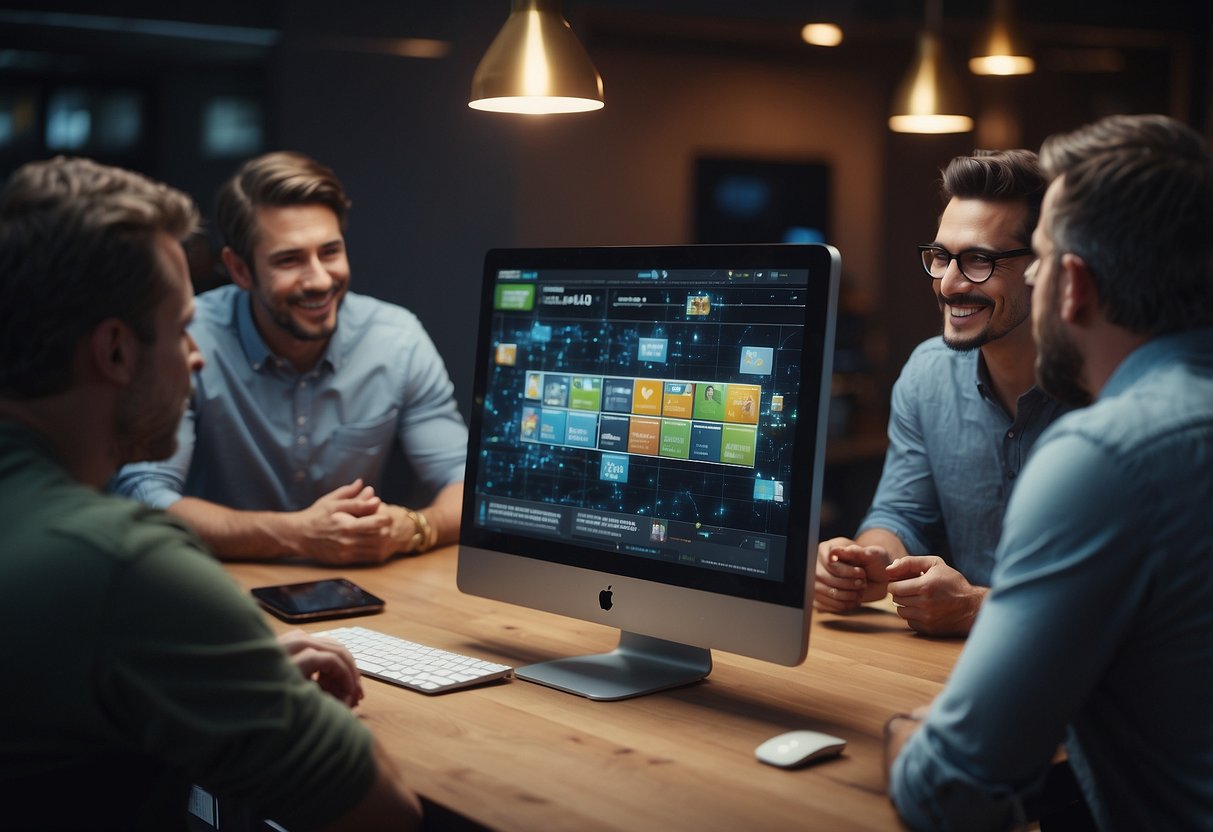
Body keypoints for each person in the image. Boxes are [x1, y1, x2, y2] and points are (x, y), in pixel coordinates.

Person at [0, 157, 422, 829]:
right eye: (179, 328)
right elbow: (383, 813)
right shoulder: (126, 566)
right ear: (115, 352)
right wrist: (239, 678)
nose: (195, 357)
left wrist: (217, 669)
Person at [886, 113, 1213, 830]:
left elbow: (949, 790)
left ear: (1069, 284)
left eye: (1034, 256)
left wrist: (900, 737)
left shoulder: (1107, 453)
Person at [112, 151, 467, 565]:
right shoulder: (189, 340)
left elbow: (469, 482)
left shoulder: (396, 339)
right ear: (240, 270)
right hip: (217, 588)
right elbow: (145, 497)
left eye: (330, 252)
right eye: (289, 260)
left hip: (355, 595)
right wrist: (298, 534)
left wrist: (413, 528)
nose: (318, 280)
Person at [814, 149, 1070, 635]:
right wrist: (867, 564)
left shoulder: (1109, 393)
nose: (949, 284)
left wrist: (977, 607)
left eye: (978, 260)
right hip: (951, 671)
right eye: (940, 257)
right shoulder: (927, 374)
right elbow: (901, 512)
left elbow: (1129, 605)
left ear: (1044, 267)